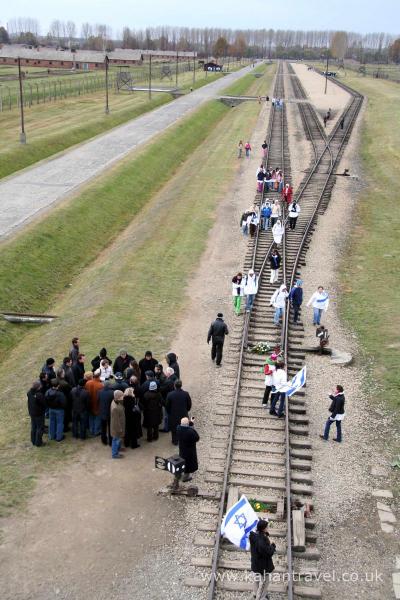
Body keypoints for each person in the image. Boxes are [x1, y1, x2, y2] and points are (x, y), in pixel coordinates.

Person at [249, 519, 276, 600]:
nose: (268, 528)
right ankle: (261, 597)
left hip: (255, 564)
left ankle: (255, 593)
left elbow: (260, 539)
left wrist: (265, 535)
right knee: (265, 582)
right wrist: (273, 545)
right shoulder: (262, 542)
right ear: (264, 529)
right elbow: (269, 552)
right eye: (267, 527)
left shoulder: (253, 536)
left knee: (256, 580)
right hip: (263, 567)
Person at [165, 380, 192, 445]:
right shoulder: (186, 393)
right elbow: (189, 404)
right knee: (184, 427)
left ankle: (175, 441)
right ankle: (183, 440)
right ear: (181, 385)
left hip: (173, 415)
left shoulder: (170, 394)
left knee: (174, 428)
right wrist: (186, 410)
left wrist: (169, 412)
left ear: (174, 385)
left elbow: (167, 406)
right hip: (183, 413)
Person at [176, 417, 199, 482]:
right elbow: (197, 438)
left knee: (182, 460)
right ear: (187, 424)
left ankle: (180, 473)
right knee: (188, 463)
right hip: (189, 450)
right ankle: (185, 477)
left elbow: (184, 427)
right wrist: (192, 426)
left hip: (182, 449)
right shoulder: (190, 431)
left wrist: (190, 423)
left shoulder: (178, 428)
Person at [27, 381, 46, 447]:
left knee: (33, 427)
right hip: (39, 414)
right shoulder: (39, 395)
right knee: (39, 428)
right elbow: (44, 403)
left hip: (32, 413)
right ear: (38, 387)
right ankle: (38, 442)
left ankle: (33, 440)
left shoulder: (29, 393)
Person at [85, 370, 104, 436]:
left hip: (89, 403)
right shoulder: (100, 385)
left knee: (91, 418)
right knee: (97, 418)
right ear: (99, 377)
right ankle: (96, 431)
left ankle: (91, 430)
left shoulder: (88, 383)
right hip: (97, 404)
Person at [110, 390, 125, 458]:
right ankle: (115, 454)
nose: (123, 397)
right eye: (122, 396)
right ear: (118, 397)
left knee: (118, 439)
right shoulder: (115, 408)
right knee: (116, 440)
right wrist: (119, 429)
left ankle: (118, 448)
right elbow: (115, 421)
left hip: (119, 425)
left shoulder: (116, 401)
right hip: (117, 428)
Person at [98, 382, 115, 446]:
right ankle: (111, 442)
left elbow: (98, 400)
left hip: (102, 412)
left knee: (103, 428)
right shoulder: (112, 392)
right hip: (110, 412)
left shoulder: (99, 392)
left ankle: (104, 440)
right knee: (111, 428)